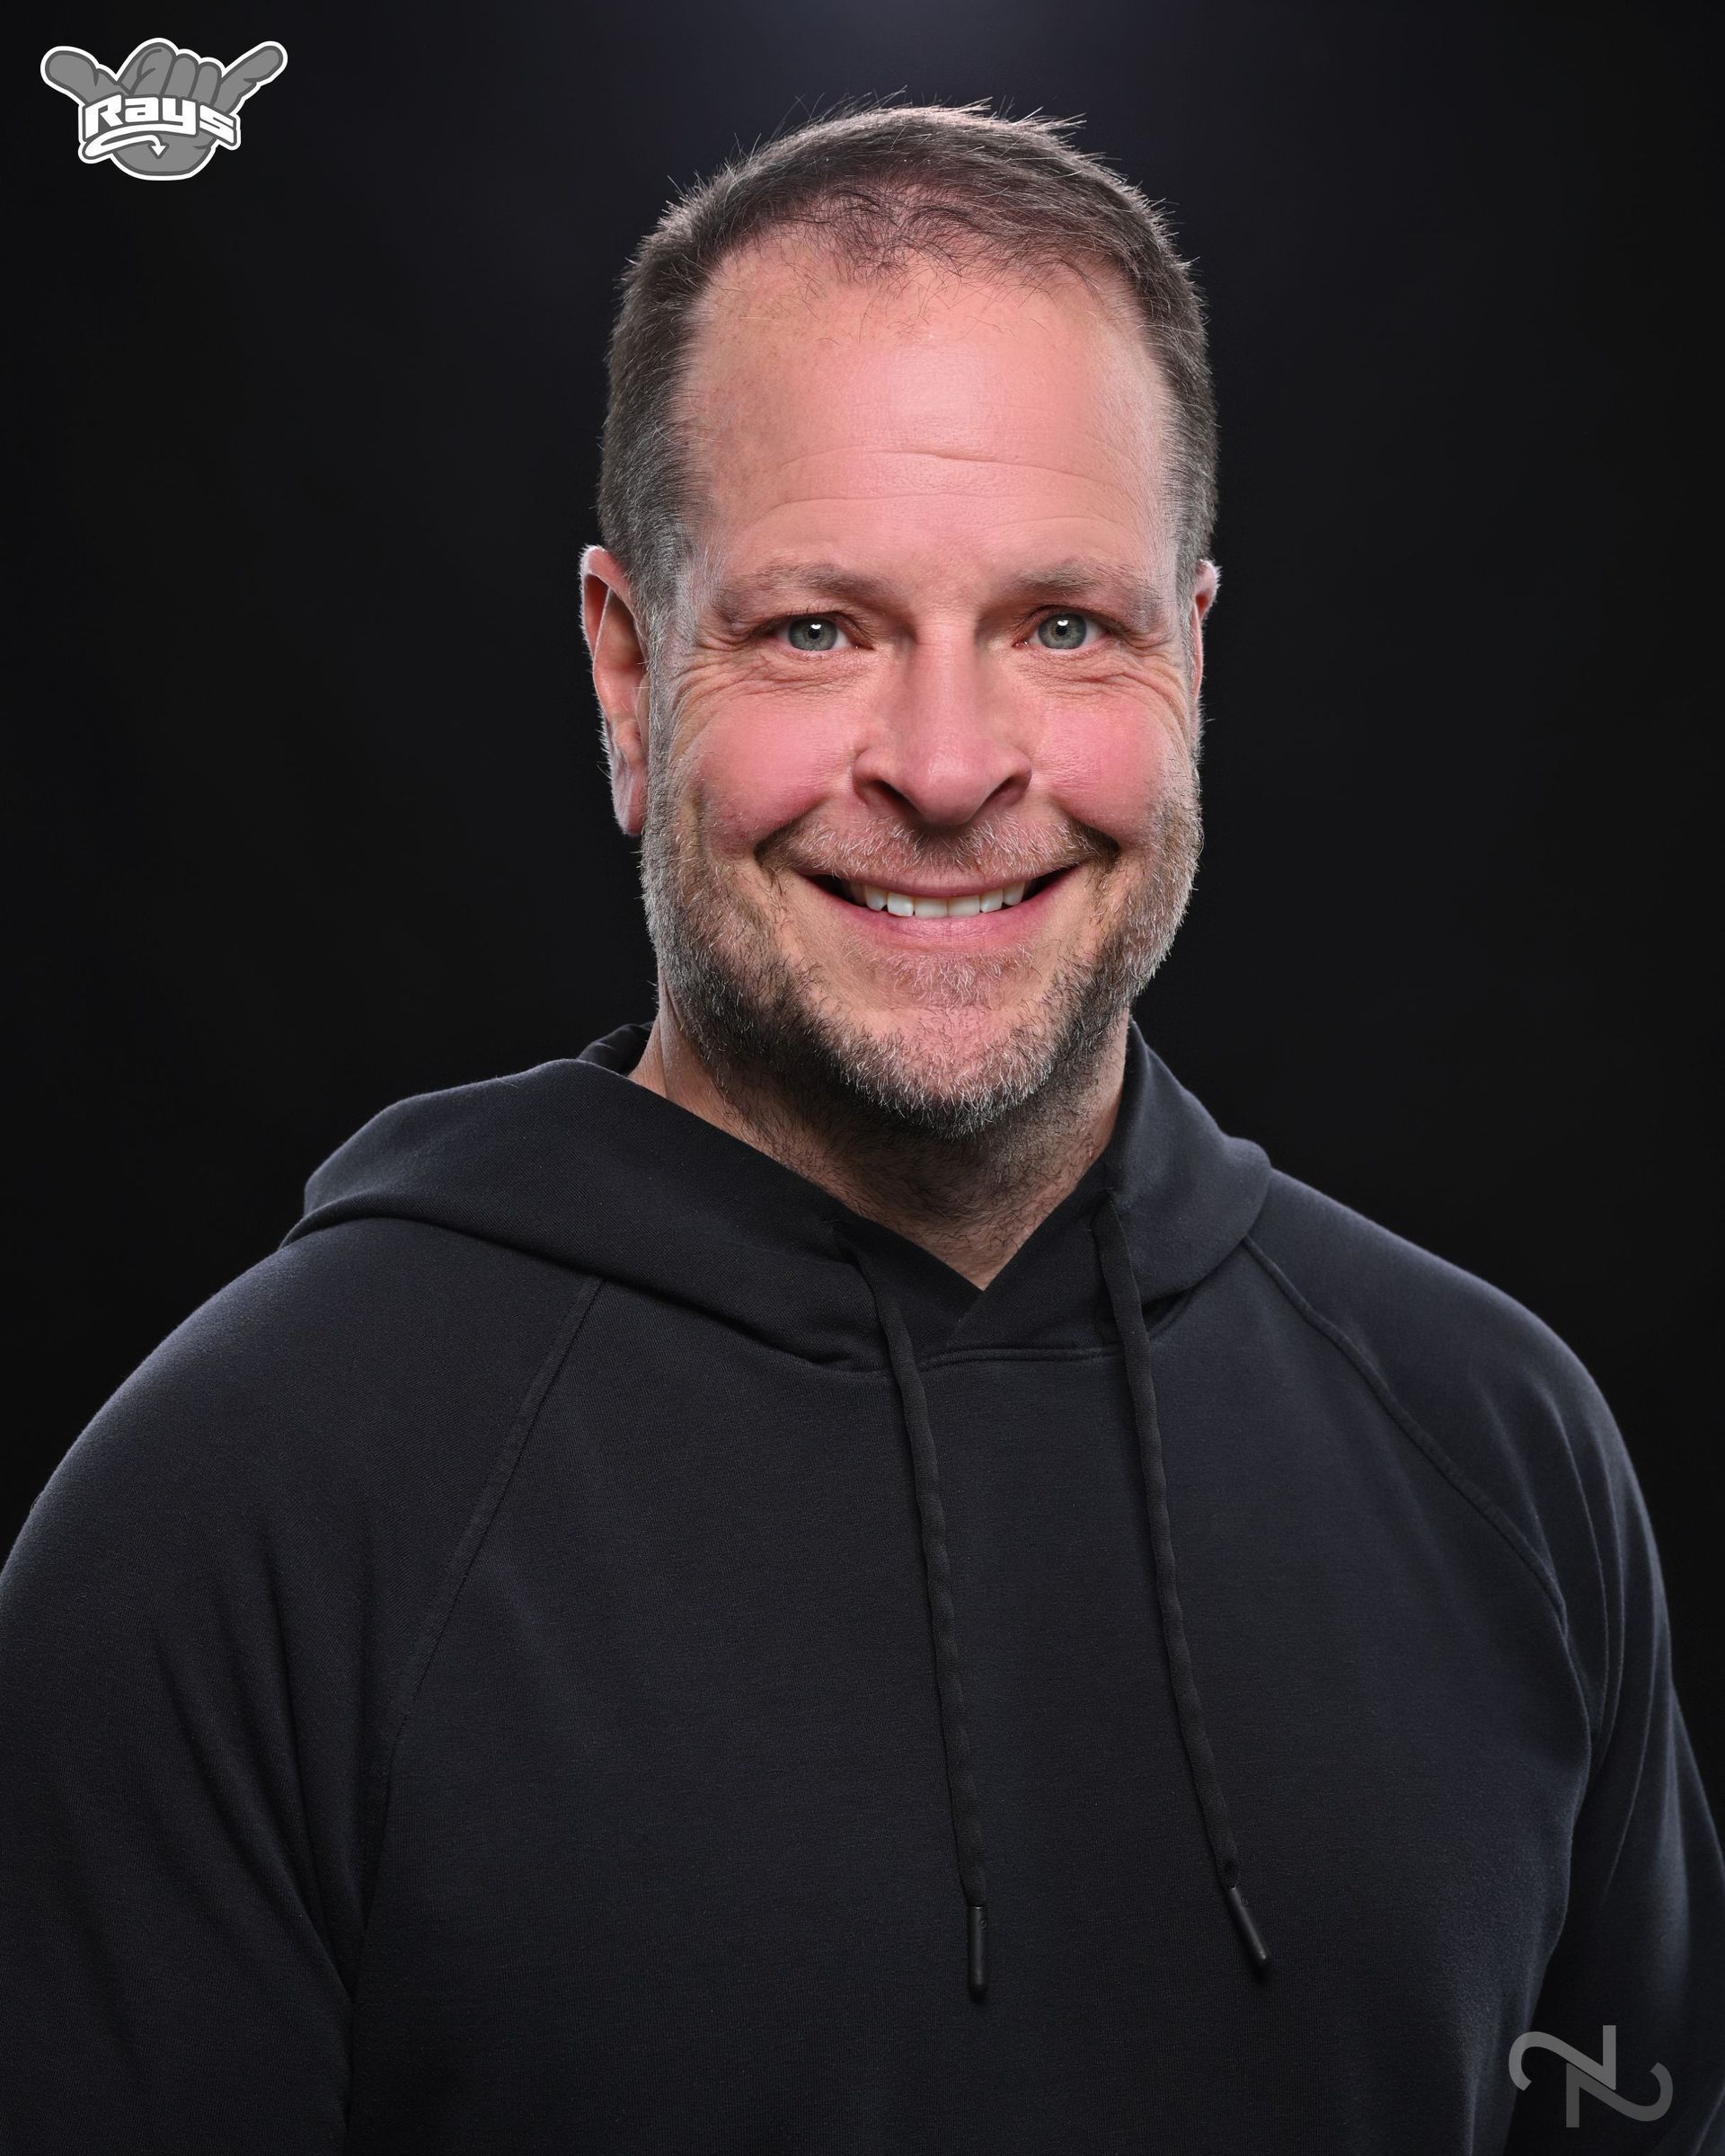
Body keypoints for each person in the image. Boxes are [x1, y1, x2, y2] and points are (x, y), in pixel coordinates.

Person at [3, 100, 1721, 2155]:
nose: (949, 764)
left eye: (1063, 625)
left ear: (1189, 660)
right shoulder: (235, 1518)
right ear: (629, 676)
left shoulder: (1501, 1445)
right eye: (818, 628)